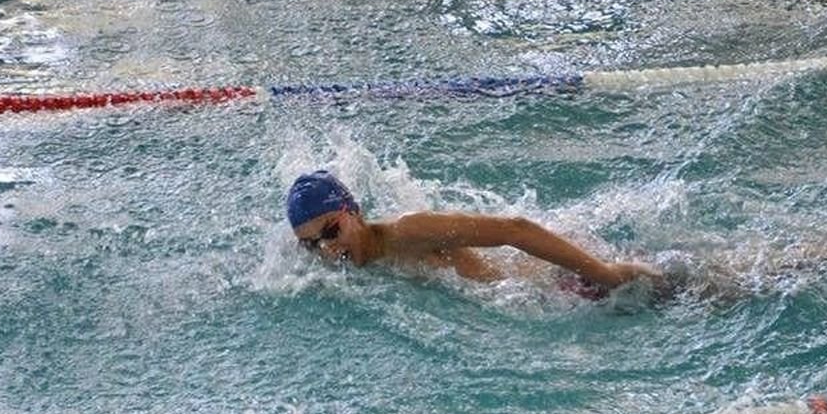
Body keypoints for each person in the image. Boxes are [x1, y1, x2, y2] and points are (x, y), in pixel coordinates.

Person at [285, 170, 666, 299]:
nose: (327, 249)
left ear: (353, 212)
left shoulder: (408, 232)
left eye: (331, 231)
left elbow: (514, 229)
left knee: (687, 286)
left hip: (566, 283)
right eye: (311, 244)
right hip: (547, 293)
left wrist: (605, 274)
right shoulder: (341, 262)